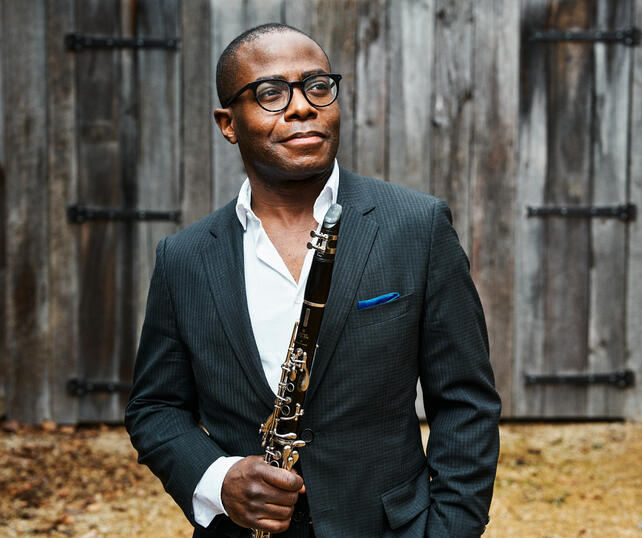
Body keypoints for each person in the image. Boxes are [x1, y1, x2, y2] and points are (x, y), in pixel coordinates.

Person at [125, 23, 500, 538]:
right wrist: (219, 479)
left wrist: (449, 529)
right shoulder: (184, 257)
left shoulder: (418, 226)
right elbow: (156, 407)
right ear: (227, 123)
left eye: (317, 86)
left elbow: (466, 400)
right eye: (270, 93)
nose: (302, 107)